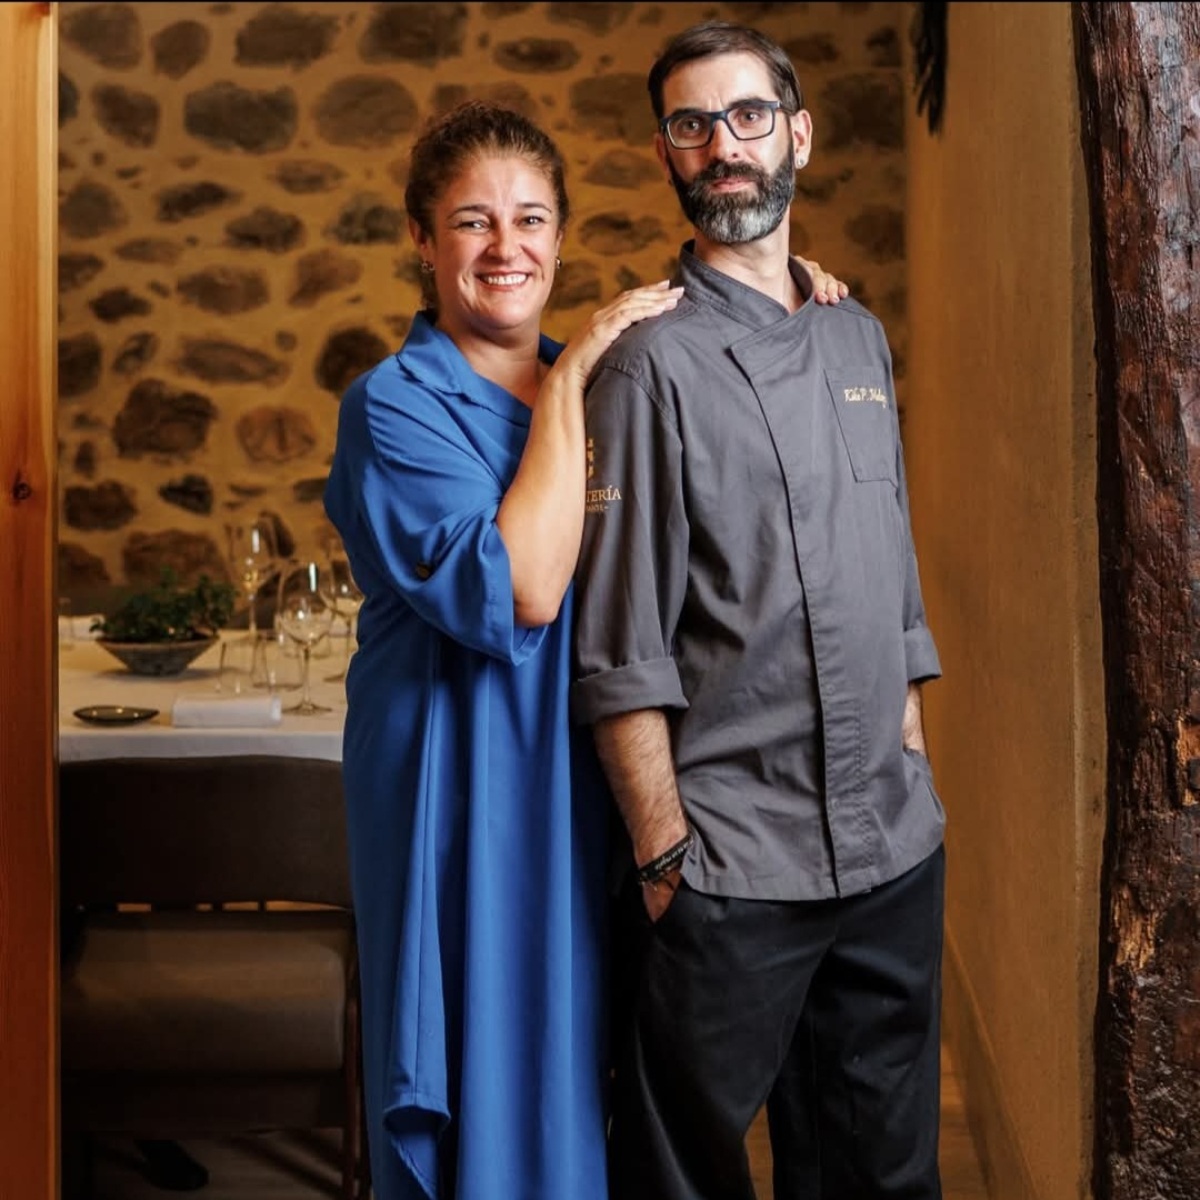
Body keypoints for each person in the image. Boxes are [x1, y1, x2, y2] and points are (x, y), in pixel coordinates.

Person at [323, 99, 847, 1200]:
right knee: (487, 1058)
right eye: (472, 222)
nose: (505, 249)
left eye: (530, 219)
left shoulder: (616, 377)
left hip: (584, 775)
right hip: (459, 784)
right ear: (424, 241)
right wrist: (566, 383)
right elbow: (518, 587)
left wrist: (805, 306)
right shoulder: (395, 405)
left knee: (594, 1060)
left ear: (561, 236)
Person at [571, 22, 946, 1200]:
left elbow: (891, 576)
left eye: (744, 116)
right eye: (691, 126)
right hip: (733, 867)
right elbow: (621, 640)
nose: (720, 146)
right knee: (683, 1176)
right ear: (668, 156)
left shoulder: (855, 333)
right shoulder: (647, 365)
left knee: (881, 1172)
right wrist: (665, 853)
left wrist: (915, 761)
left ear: (798, 132)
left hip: (889, 853)